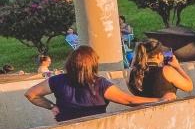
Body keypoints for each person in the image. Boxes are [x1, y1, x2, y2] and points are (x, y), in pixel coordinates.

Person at [26, 46, 157, 122]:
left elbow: (31, 94)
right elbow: (129, 101)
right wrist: (160, 99)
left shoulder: (57, 80)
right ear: (93, 64)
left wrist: (52, 106)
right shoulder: (100, 84)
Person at [127, 38, 193, 101]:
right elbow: (189, 87)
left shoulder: (134, 73)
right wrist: (178, 67)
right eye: (162, 54)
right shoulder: (167, 71)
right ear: (158, 55)